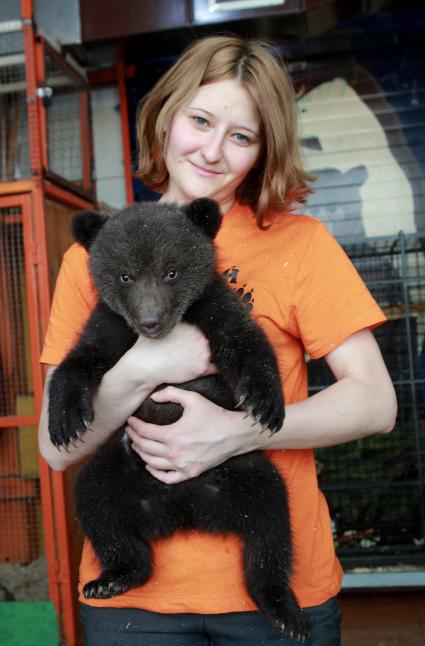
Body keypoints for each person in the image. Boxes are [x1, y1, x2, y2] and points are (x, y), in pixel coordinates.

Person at [38, 35, 397, 646]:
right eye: (200, 120)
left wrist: (238, 432)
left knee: (263, 493)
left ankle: (267, 581)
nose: (212, 150)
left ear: (264, 150)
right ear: (167, 115)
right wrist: (143, 368)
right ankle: (129, 559)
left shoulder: (299, 243)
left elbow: (376, 403)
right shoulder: (97, 256)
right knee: (96, 486)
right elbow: (56, 446)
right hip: (138, 603)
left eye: (242, 135)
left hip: (274, 576)